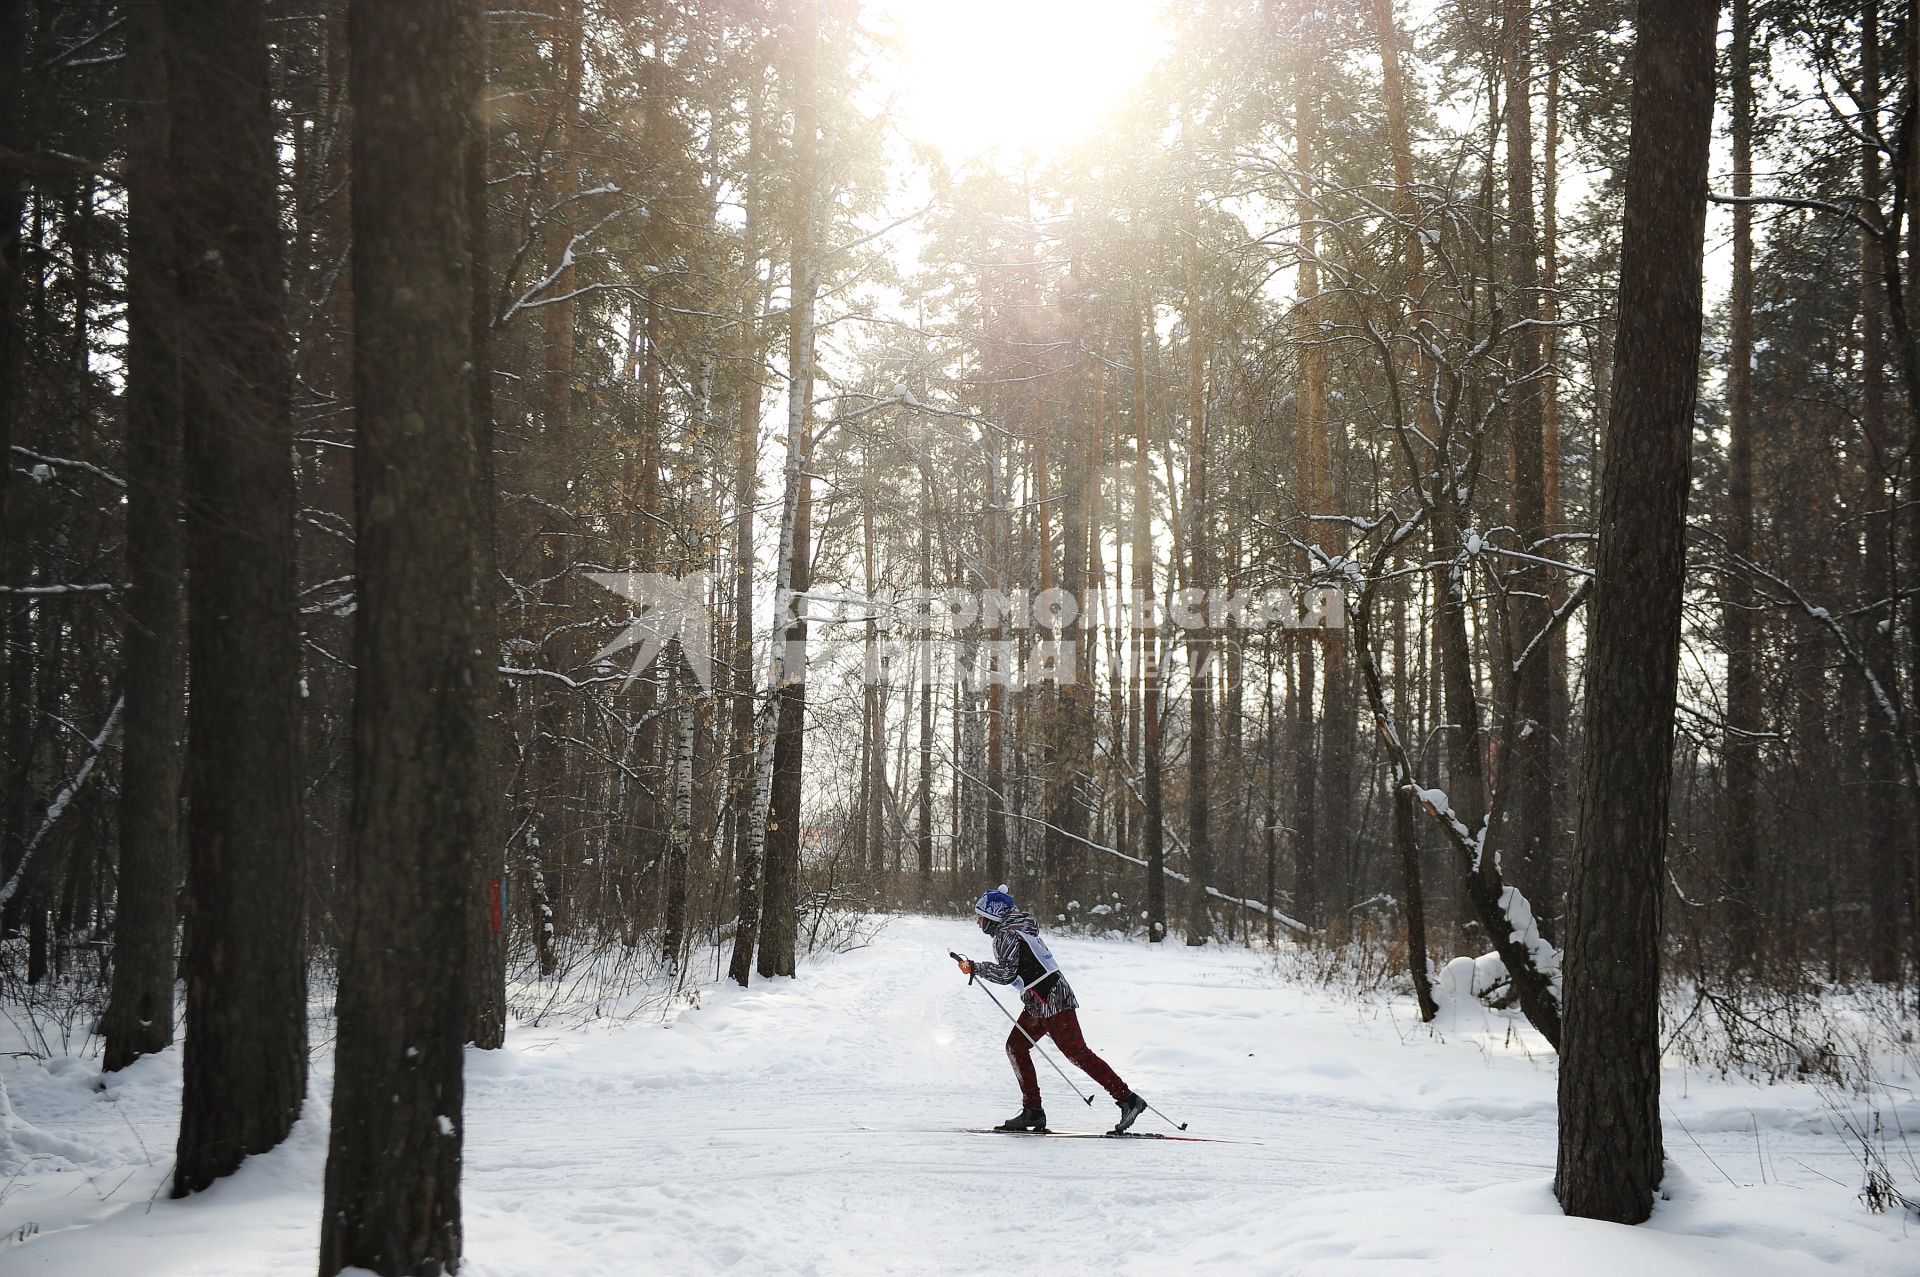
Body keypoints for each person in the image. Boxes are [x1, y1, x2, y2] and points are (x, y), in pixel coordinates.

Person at [955, 886, 1148, 1134]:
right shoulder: (1017, 929)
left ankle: (1128, 1100)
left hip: (1052, 999)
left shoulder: (1007, 935)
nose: (978, 921)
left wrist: (975, 967)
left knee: (1077, 1053)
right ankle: (1032, 1111)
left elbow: (1006, 974)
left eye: (980, 916)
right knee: (1016, 1046)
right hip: (1040, 1000)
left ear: (993, 915)